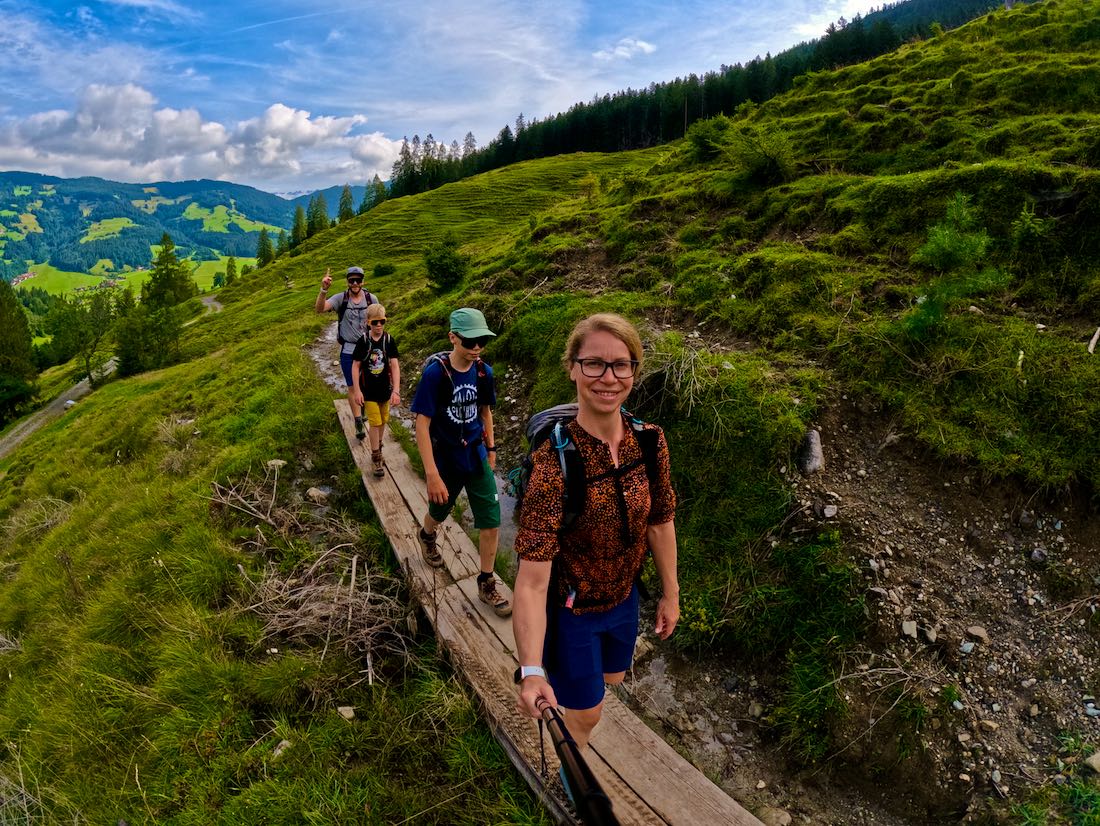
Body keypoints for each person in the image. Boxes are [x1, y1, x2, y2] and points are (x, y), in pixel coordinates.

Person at [512, 313, 679, 754]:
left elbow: (660, 520)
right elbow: (531, 580)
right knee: (588, 713)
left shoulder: (649, 441)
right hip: (573, 611)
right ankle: (575, 763)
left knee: (612, 679)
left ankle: (582, 703)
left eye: (621, 365)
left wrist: (670, 592)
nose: (608, 377)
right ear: (572, 368)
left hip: (625, 598)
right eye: (594, 364)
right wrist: (531, 670)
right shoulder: (554, 466)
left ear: (634, 371)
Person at [409, 308, 511, 618]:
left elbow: (485, 412)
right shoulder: (436, 374)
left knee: (491, 519)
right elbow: (422, 424)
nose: (477, 347)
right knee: (439, 509)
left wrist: (491, 449)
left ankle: (486, 580)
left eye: (482, 340)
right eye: (470, 341)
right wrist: (431, 474)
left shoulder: (484, 373)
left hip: (476, 455)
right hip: (447, 458)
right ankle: (427, 535)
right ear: (453, 338)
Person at [315, 266, 379, 438]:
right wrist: (324, 290)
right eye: (352, 280)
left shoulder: (371, 298)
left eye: (358, 280)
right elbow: (320, 309)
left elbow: (378, 320)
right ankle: (358, 421)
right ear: (347, 282)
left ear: (363, 281)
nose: (355, 283)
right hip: (349, 351)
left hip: (368, 349)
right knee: (352, 386)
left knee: (366, 384)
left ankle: (364, 409)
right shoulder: (340, 298)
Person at [350, 303, 401, 477]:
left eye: (382, 321)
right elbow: (356, 366)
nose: (378, 325)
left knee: (383, 419)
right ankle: (376, 456)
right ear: (368, 322)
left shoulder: (388, 340)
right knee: (374, 422)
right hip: (369, 391)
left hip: (385, 390)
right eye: (375, 322)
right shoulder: (364, 341)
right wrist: (357, 391)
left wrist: (396, 390)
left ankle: (378, 443)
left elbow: (394, 366)